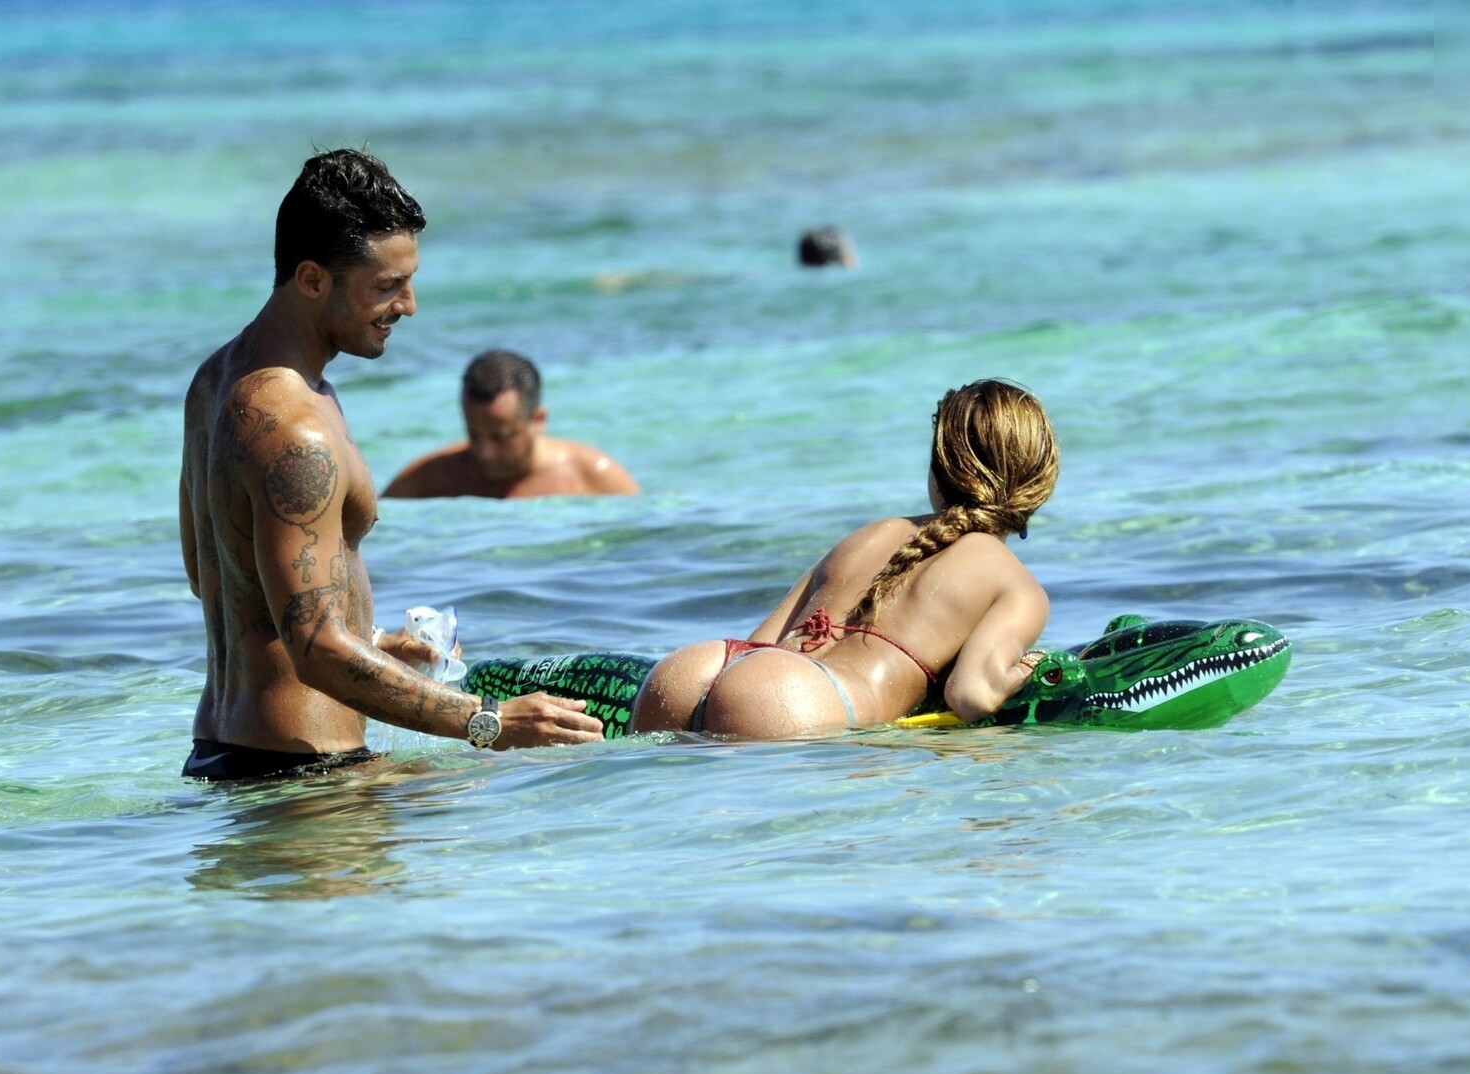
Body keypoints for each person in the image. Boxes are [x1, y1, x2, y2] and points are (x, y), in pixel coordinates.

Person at [178, 149, 604, 781]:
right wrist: (489, 720)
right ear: (312, 280)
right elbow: (316, 649)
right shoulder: (297, 430)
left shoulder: (216, 381)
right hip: (305, 774)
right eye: (385, 286)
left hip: (229, 753)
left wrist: (371, 640)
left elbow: (216, 575)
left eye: (409, 281)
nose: (408, 305)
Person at [630, 379, 1058, 738]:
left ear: (937, 472)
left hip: (698, 669)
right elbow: (971, 695)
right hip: (792, 699)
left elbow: (762, 646)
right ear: (1041, 484)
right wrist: (1028, 669)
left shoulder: (871, 533)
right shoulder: (1016, 585)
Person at [382, 350, 640, 499]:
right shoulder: (429, 480)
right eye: (474, 435)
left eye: (501, 437)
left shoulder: (596, 478)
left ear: (538, 420)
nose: (485, 453)